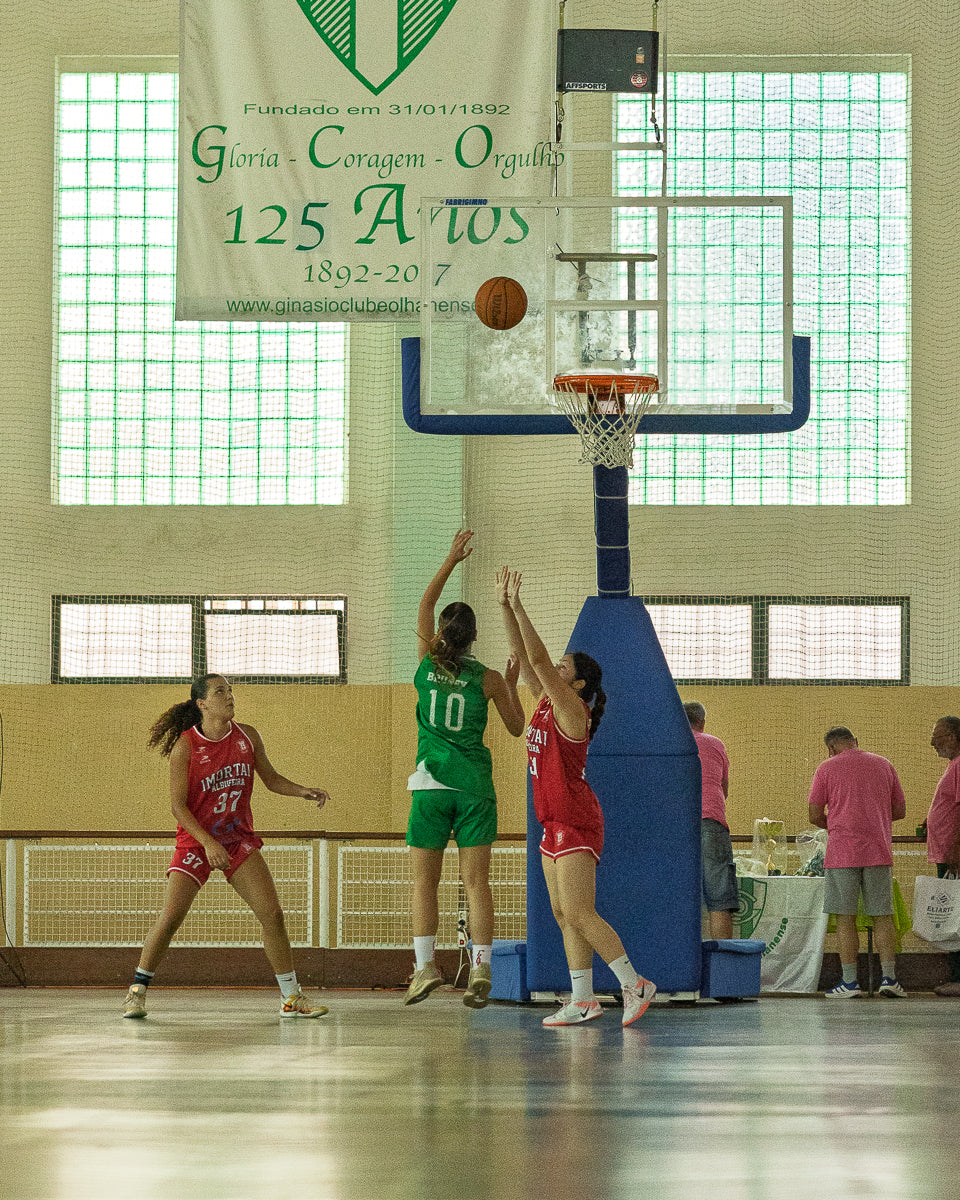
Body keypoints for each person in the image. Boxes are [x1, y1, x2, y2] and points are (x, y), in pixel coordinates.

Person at [497, 567, 656, 1027]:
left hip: (575, 816)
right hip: (552, 819)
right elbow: (525, 661)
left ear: (578, 682)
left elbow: (540, 663)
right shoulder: (546, 701)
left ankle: (634, 982)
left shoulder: (572, 707)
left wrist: (523, 606)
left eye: (565, 667)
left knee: (581, 911)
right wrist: (505, 606)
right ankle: (583, 998)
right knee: (562, 912)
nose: (554, 669)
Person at [122, 674, 331, 1019]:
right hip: (197, 840)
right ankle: (136, 991)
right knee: (172, 916)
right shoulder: (186, 746)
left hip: (236, 839)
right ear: (202, 703)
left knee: (273, 915)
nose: (230, 696)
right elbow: (178, 807)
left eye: (230, 690)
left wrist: (302, 790)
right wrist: (207, 843)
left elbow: (271, 778)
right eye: (221, 691)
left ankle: (291, 998)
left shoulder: (248, 735)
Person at [405, 531, 525, 1009]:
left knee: (424, 883)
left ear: (439, 633)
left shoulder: (424, 663)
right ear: (476, 637)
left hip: (431, 786)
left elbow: (426, 599)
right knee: (477, 884)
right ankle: (481, 967)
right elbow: (517, 729)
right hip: (475, 787)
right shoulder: (490, 679)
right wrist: (512, 686)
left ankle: (425, 968)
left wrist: (451, 558)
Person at [807, 726, 906, 998]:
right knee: (883, 916)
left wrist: (837, 824)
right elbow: (900, 810)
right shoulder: (884, 764)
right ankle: (890, 979)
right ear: (855, 742)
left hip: (842, 853)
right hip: (878, 850)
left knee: (845, 917)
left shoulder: (826, 768)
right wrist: (875, 820)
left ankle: (849, 983)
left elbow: (814, 813)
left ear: (831, 747)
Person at [683, 701, 738, 940]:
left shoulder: (671, 743)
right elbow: (724, 789)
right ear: (702, 723)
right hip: (711, 821)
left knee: (680, 897)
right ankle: (722, 971)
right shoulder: (716, 744)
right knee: (719, 900)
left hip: (678, 825)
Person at [924, 715, 960, 996]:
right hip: (947, 852)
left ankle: (958, 979)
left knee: (956, 915)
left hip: (954, 855)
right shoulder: (953, 766)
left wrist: (956, 849)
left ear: (954, 736)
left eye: (939, 735)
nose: (933, 742)